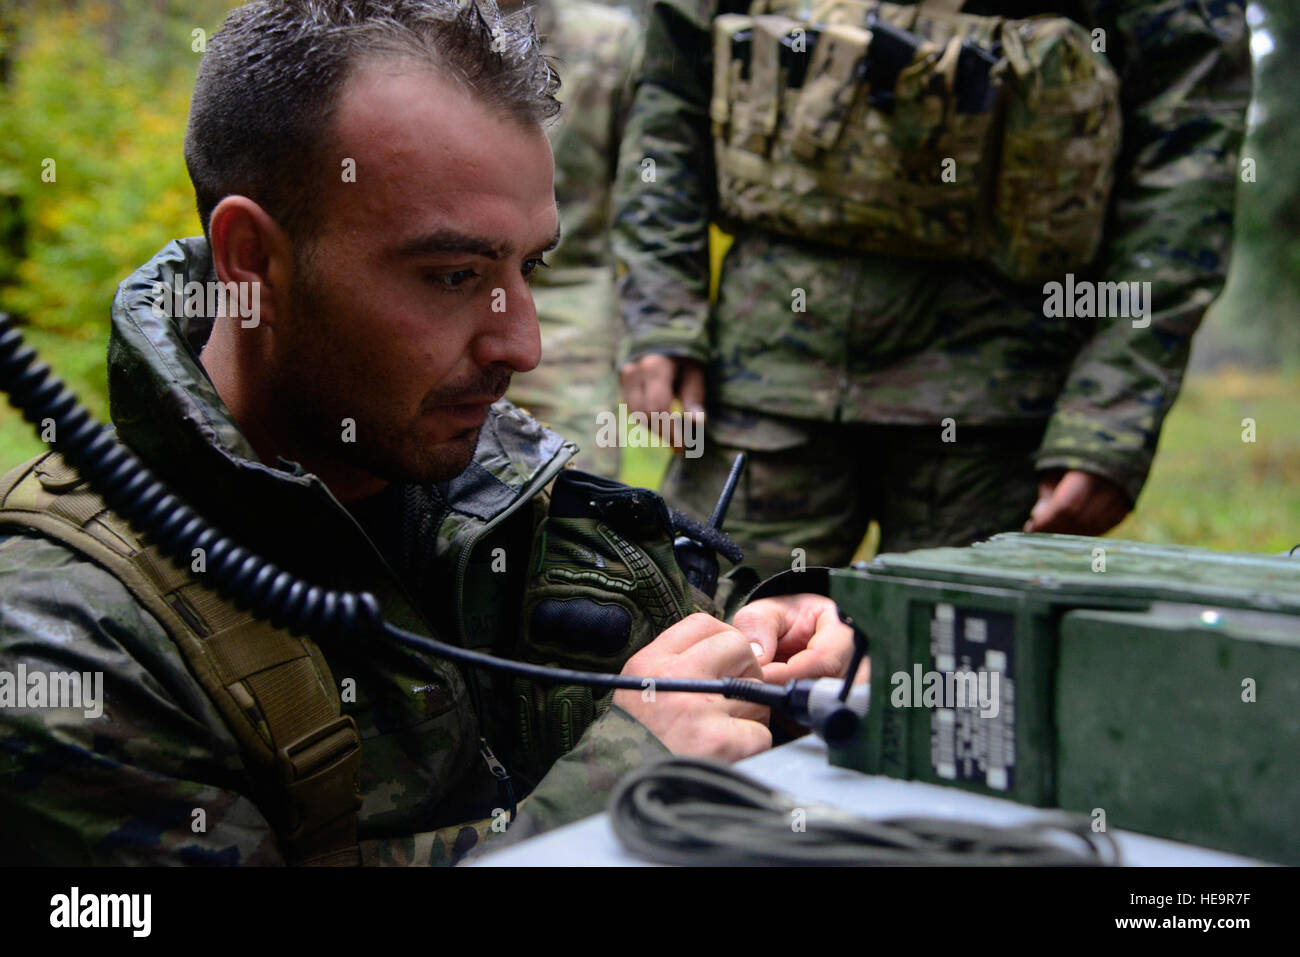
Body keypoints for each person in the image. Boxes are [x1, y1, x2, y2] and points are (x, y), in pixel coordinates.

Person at [0, 0, 856, 866]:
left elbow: (703, 629)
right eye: (453, 274)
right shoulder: (68, 642)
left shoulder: (494, 476)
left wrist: (778, 626)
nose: (523, 343)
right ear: (252, 261)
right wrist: (622, 786)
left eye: (532, 267)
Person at [613, 0, 1251, 579]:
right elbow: (672, 93)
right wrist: (661, 306)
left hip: (997, 409)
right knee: (703, 664)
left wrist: (1113, 415)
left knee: (969, 683)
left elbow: (1184, 163)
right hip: (759, 385)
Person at [502, 0, 640, 478]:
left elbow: (646, 197)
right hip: (439, 282)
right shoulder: (402, 30)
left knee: (579, 483)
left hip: (570, 290)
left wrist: (653, 331)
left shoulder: (612, 43)